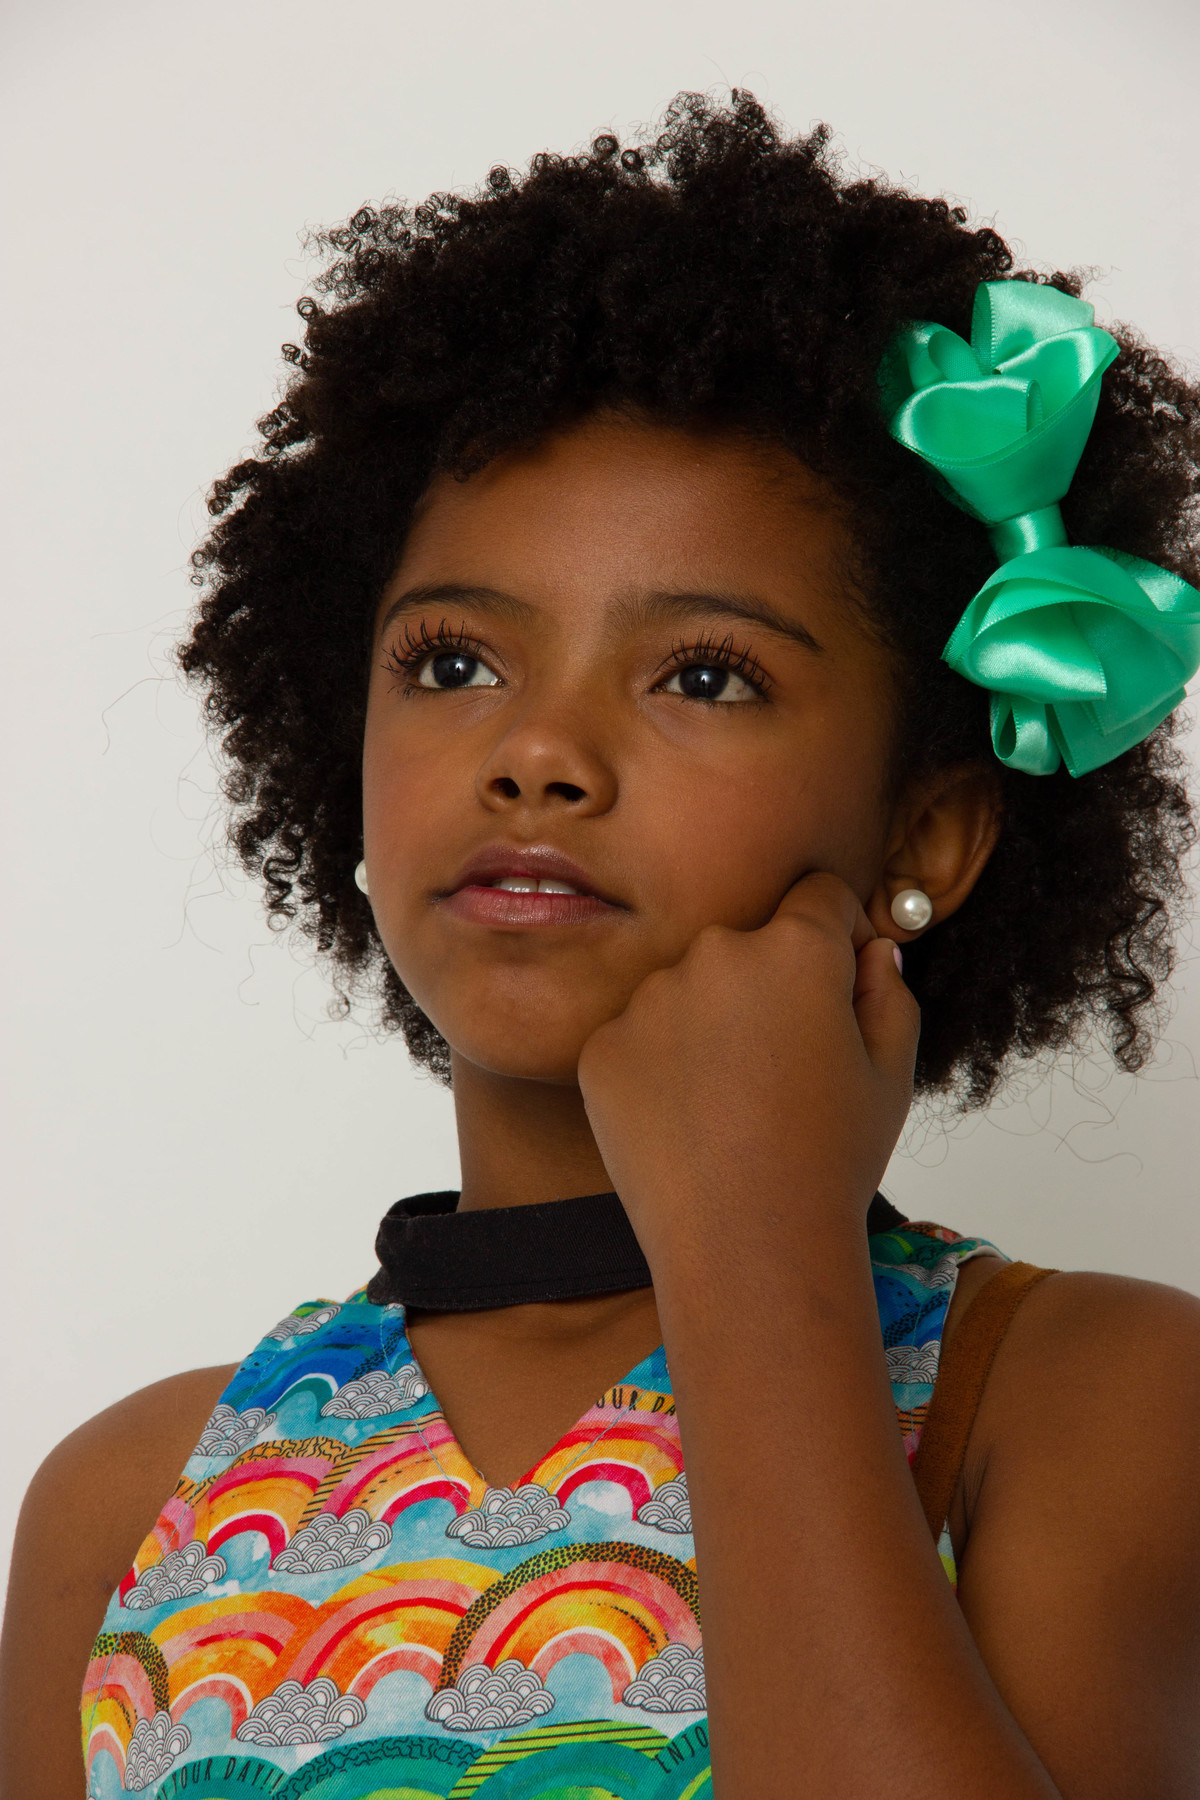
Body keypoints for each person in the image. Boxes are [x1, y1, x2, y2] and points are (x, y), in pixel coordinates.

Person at [3, 91, 1199, 1799]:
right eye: (453, 663)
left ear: (926, 833)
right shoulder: (129, 1504)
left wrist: (752, 1241)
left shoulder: (1089, 1399)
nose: (537, 752)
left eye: (703, 675)